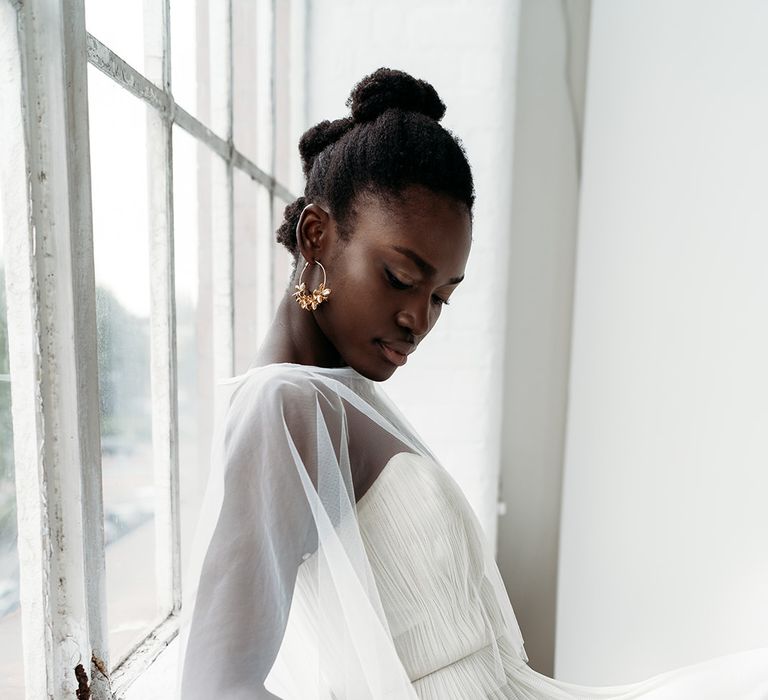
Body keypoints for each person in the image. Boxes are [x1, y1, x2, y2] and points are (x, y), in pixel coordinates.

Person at [176, 68, 768, 699]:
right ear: (316, 236)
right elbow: (216, 688)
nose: (417, 320)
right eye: (401, 278)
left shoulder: (346, 397)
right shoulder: (282, 405)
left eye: (441, 298)